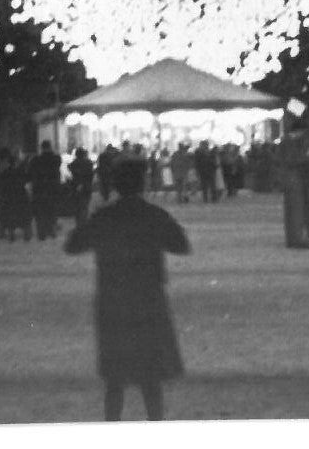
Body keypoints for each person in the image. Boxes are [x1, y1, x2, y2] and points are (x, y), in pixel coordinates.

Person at [65, 157, 191, 421]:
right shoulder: (154, 215)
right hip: (148, 300)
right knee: (150, 378)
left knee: (115, 378)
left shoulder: (105, 216)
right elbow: (181, 245)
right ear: (142, 184)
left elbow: (73, 245)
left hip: (113, 301)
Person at [279, 121, 309, 248]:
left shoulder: (285, 142)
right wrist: (307, 157)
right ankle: (298, 238)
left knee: (290, 210)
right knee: (297, 210)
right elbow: (292, 160)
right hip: (294, 179)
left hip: (288, 179)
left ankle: (292, 238)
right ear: (298, 131)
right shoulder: (290, 143)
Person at [29, 140, 66, 241]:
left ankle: (42, 232)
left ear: (41, 148)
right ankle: (51, 229)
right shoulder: (55, 159)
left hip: (39, 190)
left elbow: (31, 173)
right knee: (52, 210)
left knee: (40, 212)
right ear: (50, 147)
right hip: (52, 189)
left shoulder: (36, 160)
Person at [0, 149, 32, 243]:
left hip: (9, 197)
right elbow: (27, 180)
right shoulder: (21, 171)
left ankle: (11, 234)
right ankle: (26, 234)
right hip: (20, 196)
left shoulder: (5, 173)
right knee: (23, 216)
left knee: (10, 217)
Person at [68, 146, 96, 224]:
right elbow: (91, 175)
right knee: (85, 206)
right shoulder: (89, 163)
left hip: (75, 186)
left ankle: (78, 222)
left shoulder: (73, 164)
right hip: (86, 186)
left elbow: (70, 170)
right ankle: (84, 221)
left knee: (77, 207)